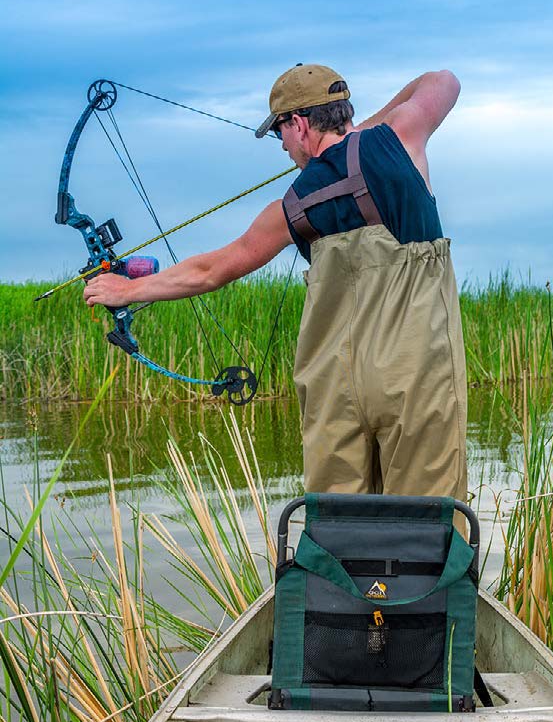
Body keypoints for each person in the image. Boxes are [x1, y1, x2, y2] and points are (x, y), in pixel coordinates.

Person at [84, 63, 467, 501]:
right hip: (416, 377)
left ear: (299, 124)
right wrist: (366, 129)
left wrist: (125, 290)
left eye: (280, 132)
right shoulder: (401, 135)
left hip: (334, 389)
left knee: (338, 528)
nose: (282, 146)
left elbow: (211, 271)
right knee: (426, 523)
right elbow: (443, 80)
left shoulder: (291, 207)